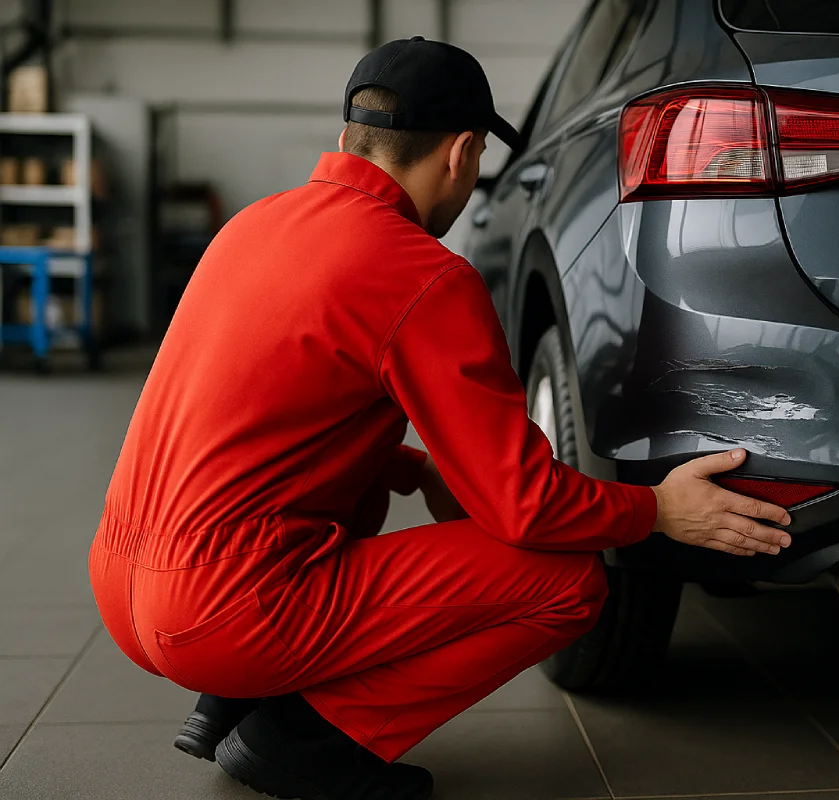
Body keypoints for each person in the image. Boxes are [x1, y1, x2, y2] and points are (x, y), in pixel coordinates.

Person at [88, 37, 793, 800]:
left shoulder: (253, 226)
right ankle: (304, 740)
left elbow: (244, 413)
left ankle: (242, 693)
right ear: (461, 154)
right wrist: (657, 510)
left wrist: (415, 465)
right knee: (567, 582)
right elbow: (524, 507)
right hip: (221, 614)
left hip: (122, 587)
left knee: (369, 452)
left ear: (349, 136)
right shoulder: (421, 274)